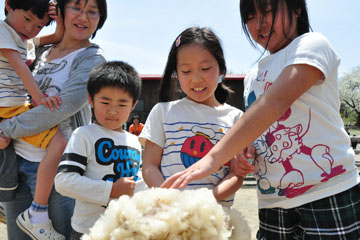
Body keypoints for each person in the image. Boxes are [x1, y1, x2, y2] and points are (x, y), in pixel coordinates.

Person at [162, 0, 360, 239]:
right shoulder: (253, 76)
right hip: (271, 201)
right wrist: (247, 151)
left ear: (297, 8)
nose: (260, 23)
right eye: (250, 16)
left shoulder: (312, 45)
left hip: (327, 190)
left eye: (268, 10)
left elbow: (274, 103)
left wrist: (212, 159)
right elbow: (259, 129)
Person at [0, 0, 108, 239]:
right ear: (61, 9)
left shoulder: (92, 59)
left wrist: (5, 130)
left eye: (92, 11)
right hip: (16, 164)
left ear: (101, 19)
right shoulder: (37, 50)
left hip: (61, 171)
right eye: (76, 7)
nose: (83, 16)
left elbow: (64, 107)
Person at [139, 27, 245, 207]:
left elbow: (236, 174)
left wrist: (207, 200)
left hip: (214, 216)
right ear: (177, 74)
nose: (196, 79)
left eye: (205, 68)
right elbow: (149, 166)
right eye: (186, 71)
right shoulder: (163, 112)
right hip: (170, 214)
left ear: (221, 70)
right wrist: (170, 199)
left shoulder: (236, 118)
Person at [0, 0, 68, 238]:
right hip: (10, 109)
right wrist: (39, 98)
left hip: (16, 107)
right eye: (27, 19)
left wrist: (57, 17)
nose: (31, 29)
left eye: (38, 26)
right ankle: (37, 213)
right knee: (59, 143)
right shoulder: (2, 32)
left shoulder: (22, 39)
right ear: (8, 5)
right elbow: (20, 68)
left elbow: (57, 36)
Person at [54, 61, 143, 239]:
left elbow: (137, 185)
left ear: (133, 105)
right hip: (88, 231)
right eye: (105, 101)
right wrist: (111, 190)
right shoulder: (84, 135)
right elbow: (64, 181)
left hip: (125, 232)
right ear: (91, 100)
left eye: (122, 104)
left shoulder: (135, 141)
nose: (113, 111)